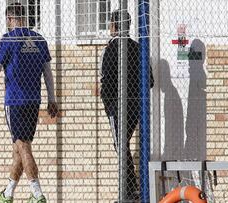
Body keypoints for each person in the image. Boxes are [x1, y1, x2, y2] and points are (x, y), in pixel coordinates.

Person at [0, 3, 58, 203]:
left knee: (23, 147)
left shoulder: (9, 39)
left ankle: (37, 194)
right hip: (33, 101)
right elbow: (47, 73)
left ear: (10, 19)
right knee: (19, 149)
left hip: (14, 101)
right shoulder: (39, 39)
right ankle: (8, 194)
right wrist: (52, 99)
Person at [100, 10, 154, 201]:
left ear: (114, 26)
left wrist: (108, 106)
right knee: (123, 144)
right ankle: (130, 188)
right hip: (135, 106)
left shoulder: (112, 47)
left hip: (117, 107)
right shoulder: (138, 48)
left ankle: (128, 189)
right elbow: (150, 80)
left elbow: (105, 79)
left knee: (120, 145)